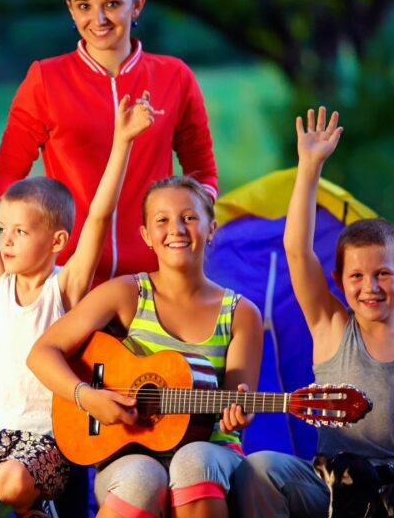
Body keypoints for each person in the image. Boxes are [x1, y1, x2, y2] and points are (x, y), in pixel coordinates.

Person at [0, 89, 152, 517]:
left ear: (57, 241)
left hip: (49, 437)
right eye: (3, 229)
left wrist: (123, 141)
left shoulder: (67, 289)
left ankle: (33, 507)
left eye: (20, 232)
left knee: (10, 481)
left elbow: (99, 215)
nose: (6, 240)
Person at [232, 107, 394, 518]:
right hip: (332, 485)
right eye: (358, 276)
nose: (370, 287)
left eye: (383, 274)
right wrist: (309, 166)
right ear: (339, 279)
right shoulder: (330, 325)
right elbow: (296, 251)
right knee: (257, 469)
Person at [27, 175, 262, 518]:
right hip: (128, 450)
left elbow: (235, 408)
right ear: (146, 235)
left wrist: (236, 418)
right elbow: (42, 353)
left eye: (190, 218)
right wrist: (86, 396)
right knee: (141, 477)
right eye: (162, 220)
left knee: (193, 461)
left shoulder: (241, 314)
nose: (176, 229)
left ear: (211, 228)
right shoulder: (126, 294)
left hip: (210, 450)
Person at [0, 0, 219, 286]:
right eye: (83, 6)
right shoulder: (45, 79)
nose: (97, 18)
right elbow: (7, 175)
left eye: (112, 3)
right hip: (68, 277)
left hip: (155, 277)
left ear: (137, 4)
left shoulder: (175, 77)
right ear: (70, 7)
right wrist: (32, 239)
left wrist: (184, 230)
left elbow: (202, 170)